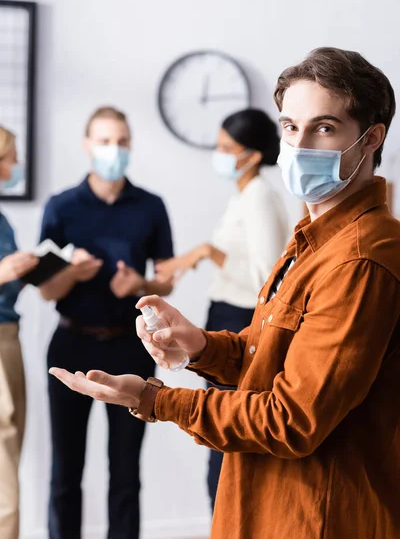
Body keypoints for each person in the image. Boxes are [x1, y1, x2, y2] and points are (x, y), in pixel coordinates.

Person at [49, 47, 400, 539]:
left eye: (324, 127)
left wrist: (156, 399)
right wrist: (200, 345)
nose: (299, 145)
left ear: (371, 139)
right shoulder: (312, 238)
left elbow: (291, 417)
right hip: (268, 502)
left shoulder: (361, 258)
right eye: (290, 127)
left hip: (316, 515)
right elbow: (273, 359)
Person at [39, 107, 174, 539]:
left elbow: (166, 280)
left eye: (120, 141)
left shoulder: (151, 207)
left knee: (126, 470)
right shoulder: (61, 206)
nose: (112, 149)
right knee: (66, 470)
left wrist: (142, 283)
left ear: (130, 145)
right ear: (86, 145)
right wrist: (69, 274)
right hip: (72, 344)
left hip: (129, 347)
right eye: (103, 141)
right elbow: (46, 291)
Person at [156, 108, 288, 509]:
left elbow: (270, 278)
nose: (218, 153)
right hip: (224, 317)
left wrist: (206, 252)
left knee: (225, 429)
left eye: (226, 147)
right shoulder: (244, 196)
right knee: (216, 432)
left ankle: (227, 520)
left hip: (241, 322)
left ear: (250, 154)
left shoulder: (261, 197)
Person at [0, 127, 39, 539]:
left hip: (9, 335)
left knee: (11, 444)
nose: (16, 167)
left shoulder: (2, 219)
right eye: (10, 158)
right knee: (3, 452)